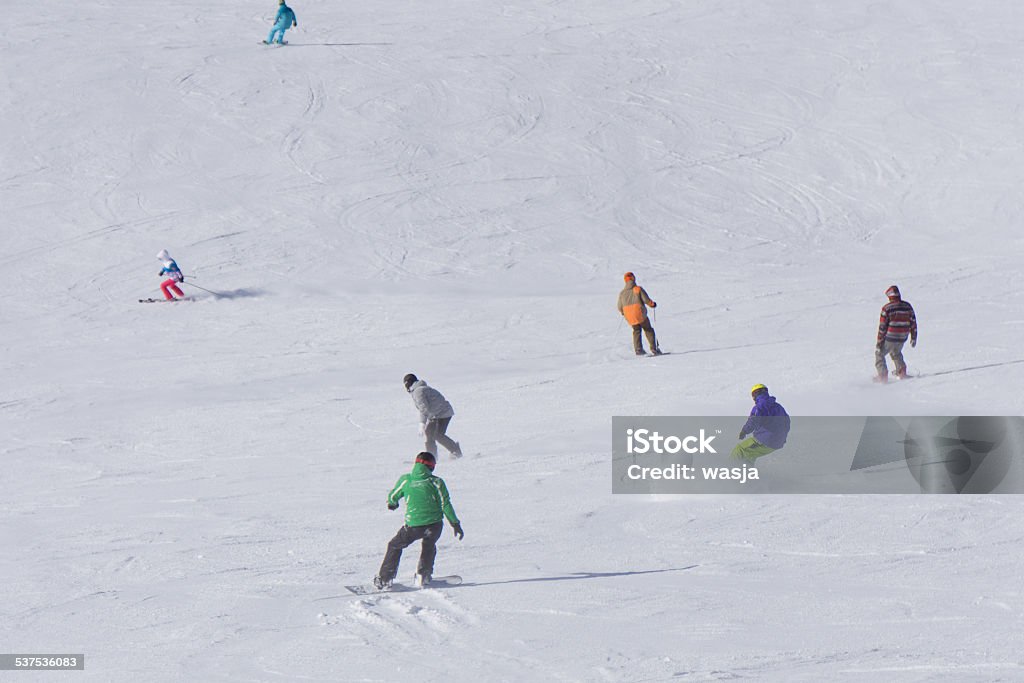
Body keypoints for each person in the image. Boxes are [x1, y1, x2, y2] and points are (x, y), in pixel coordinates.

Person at [374, 452, 463, 589]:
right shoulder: (436, 482)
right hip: (434, 525)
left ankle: (385, 579)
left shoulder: (406, 480)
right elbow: (445, 504)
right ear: (431, 467)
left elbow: (393, 496)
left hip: (413, 526)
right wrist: (455, 523)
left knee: (395, 545)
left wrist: (392, 503)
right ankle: (423, 575)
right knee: (429, 545)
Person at [404, 373, 463, 458]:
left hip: (443, 413)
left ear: (408, 383)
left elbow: (423, 408)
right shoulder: (419, 390)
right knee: (429, 433)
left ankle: (455, 451)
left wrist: (422, 423)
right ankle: (432, 456)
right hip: (438, 413)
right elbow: (424, 408)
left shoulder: (418, 391)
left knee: (437, 435)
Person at [732, 384, 790, 462]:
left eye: (753, 394)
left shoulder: (760, 406)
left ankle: (728, 469)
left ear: (755, 394)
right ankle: (748, 472)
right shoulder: (778, 407)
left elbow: (754, 420)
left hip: (766, 439)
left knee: (739, 449)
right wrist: (782, 437)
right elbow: (786, 422)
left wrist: (744, 431)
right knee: (749, 455)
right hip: (778, 442)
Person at [875, 285, 918, 383]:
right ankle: (901, 371)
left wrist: (879, 342)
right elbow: (913, 322)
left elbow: (882, 327)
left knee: (879, 354)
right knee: (896, 352)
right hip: (903, 336)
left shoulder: (887, 308)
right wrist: (913, 337)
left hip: (890, 337)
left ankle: (882, 375)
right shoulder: (907, 306)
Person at [617, 272, 661, 356]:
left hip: (629, 317)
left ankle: (638, 350)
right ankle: (654, 349)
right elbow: (646, 300)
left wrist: (623, 313)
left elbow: (619, 306)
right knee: (648, 329)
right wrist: (652, 304)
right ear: (633, 279)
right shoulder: (638, 289)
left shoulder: (622, 293)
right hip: (639, 314)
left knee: (636, 330)